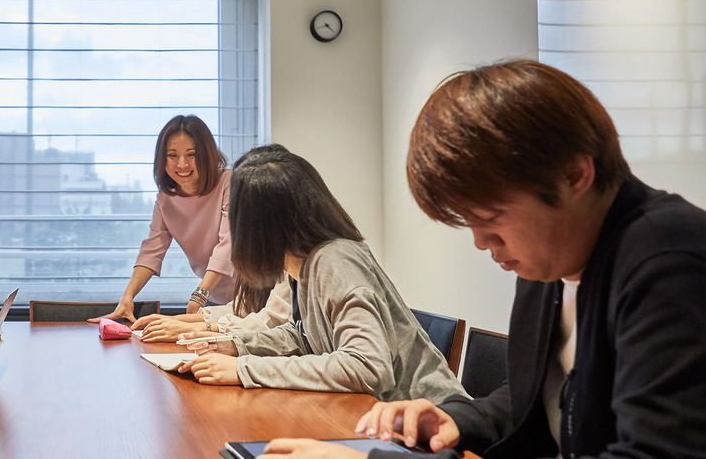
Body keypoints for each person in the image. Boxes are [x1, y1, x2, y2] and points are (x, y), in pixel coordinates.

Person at [272, 60, 706, 458]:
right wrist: (457, 419)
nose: (482, 242)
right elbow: (529, 401)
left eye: (492, 218)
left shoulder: (668, 260)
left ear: (574, 175)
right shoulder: (551, 263)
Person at [175, 150, 467, 406]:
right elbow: (303, 335)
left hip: (432, 426)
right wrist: (235, 345)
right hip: (377, 417)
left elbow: (368, 367)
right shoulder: (303, 263)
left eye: (231, 213)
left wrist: (244, 369)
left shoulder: (334, 260)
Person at [130, 144, 295, 342]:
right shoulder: (264, 243)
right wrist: (176, 321)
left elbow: (271, 321)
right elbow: (244, 308)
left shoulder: (296, 250)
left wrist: (198, 325)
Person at [91, 114, 236, 325]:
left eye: (192, 154)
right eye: (172, 155)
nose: (182, 163)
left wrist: (199, 295)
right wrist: (127, 297)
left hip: (254, 296)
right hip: (216, 300)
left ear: (207, 155)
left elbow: (229, 243)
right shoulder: (165, 197)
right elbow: (152, 250)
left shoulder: (229, 182)